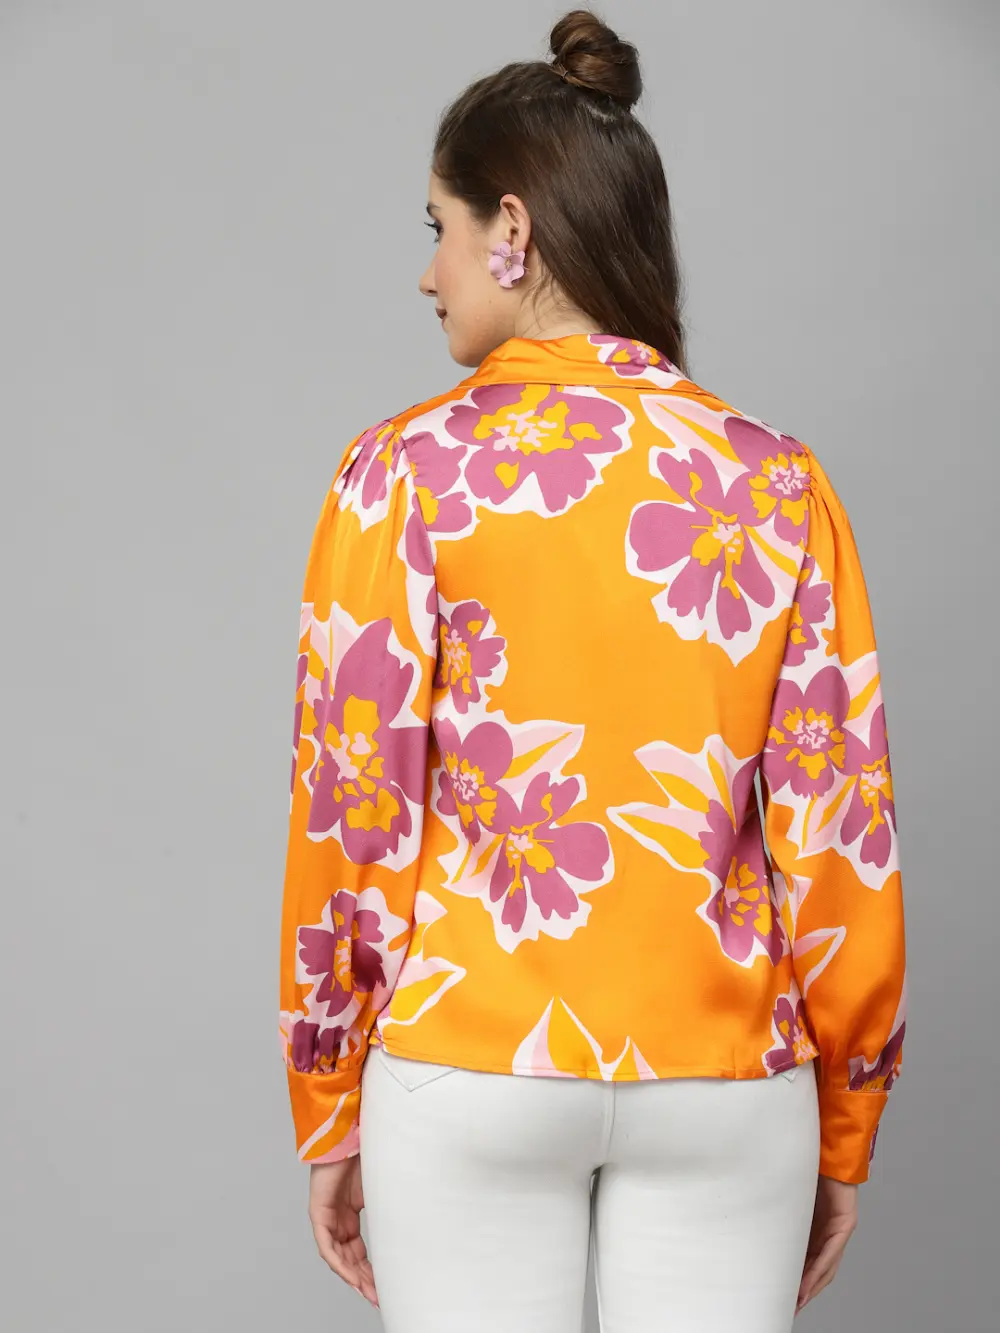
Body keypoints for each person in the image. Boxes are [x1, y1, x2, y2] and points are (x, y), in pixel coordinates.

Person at [276, 9, 907, 1331]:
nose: (429, 274)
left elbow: (352, 811)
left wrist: (327, 1099)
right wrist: (846, 1120)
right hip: (727, 1079)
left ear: (510, 228)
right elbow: (840, 829)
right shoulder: (777, 481)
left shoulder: (400, 475)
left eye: (438, 228)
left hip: (470, 1064)